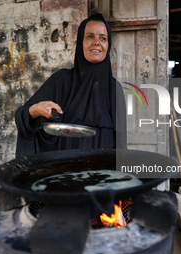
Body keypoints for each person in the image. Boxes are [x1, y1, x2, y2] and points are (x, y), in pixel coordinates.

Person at [15, 13, 127, 158]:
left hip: (102, 174)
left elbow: (121, 143)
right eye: (90, 36)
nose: (97, 42)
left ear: (108, 45)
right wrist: (36, 109)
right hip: (65, 173)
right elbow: (22, 116)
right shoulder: (61, 80)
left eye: (103, 38)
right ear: (80, 42)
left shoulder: (114, 89)